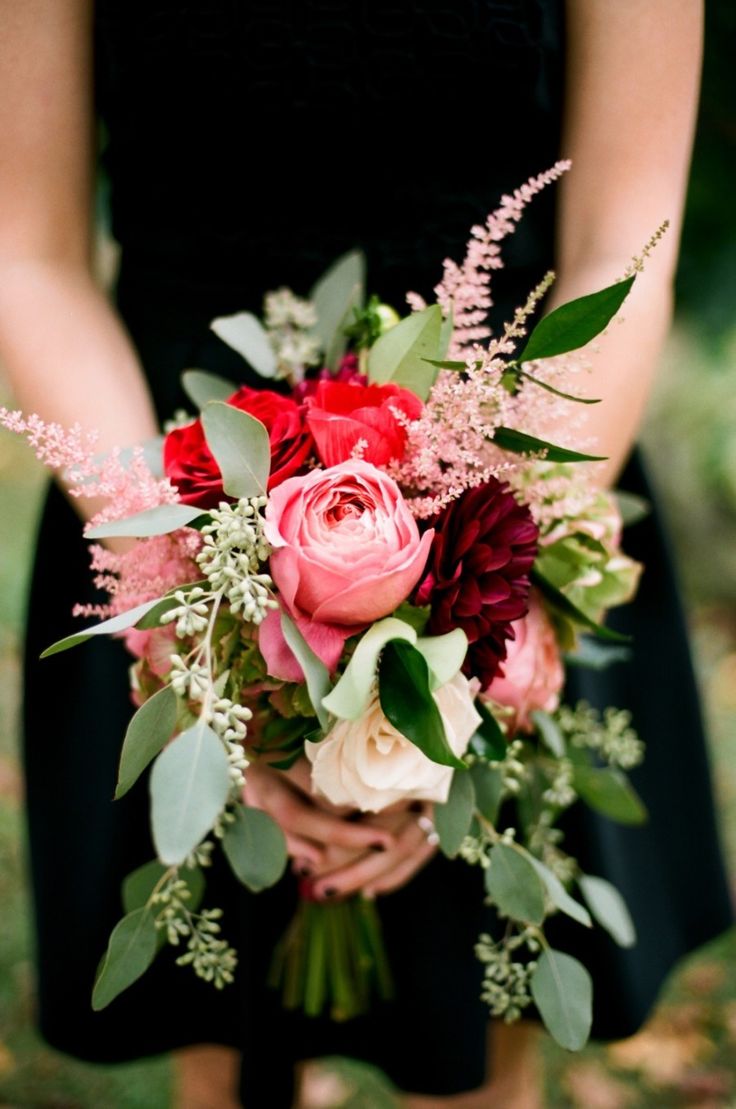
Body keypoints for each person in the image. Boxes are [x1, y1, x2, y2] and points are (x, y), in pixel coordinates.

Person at [0, 1, 731, 1106]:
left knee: (478, 1058)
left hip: (509, 473)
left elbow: (622, 243)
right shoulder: (177, 572)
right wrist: (198, 627)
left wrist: (467, 638)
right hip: (163, 479)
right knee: (230, 1057)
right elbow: (28, 249)